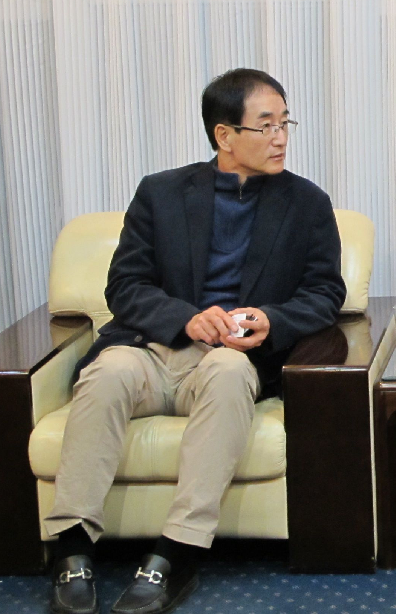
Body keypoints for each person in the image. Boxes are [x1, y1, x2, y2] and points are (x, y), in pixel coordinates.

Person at [46, 68, 347, 614]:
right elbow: (125, 286)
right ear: (224, 135)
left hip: (230, 359)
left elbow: (325, 293)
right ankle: (71, 545)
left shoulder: (307, 203)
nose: (280, 137)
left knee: (229, 373)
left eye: (285, 123)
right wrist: (185, 319)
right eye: (265, 125)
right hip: (150, 350)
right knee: (107, 373)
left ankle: (176, 551)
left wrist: (271, 319)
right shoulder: (161, 193)